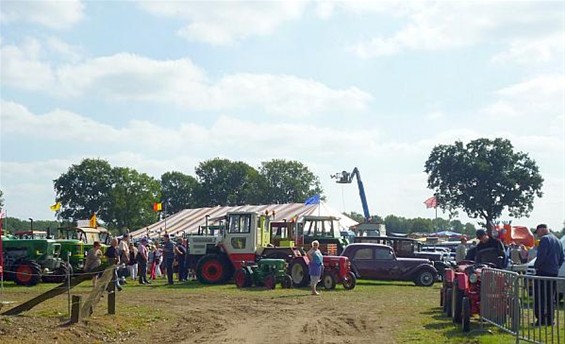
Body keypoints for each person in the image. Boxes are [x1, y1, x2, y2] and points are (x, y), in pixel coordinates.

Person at [532, 224, 564, 326]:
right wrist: (555, 267)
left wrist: (536, 266)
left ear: (542, 229)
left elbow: (542, 256)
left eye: (538, 232)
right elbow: (562, 258)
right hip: (553, 272)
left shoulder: (545, 239)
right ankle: (550, 319)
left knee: (540, 296)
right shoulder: (558, 240)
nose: (538, 235)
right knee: (551, 296)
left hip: (543, 271)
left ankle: (541, 320)